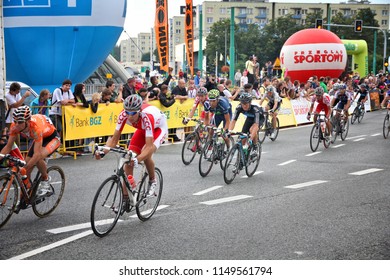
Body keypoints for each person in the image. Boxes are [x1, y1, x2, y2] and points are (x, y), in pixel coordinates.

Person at [95, 95, 168, 199]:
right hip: (142, 129)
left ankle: (152, 180)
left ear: (139, 111)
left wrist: (138, 159)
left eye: (133, 113)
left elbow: (149, 147)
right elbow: (114, 140)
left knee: (145, 154)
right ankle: (126, 198)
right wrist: (102, 153)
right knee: (129, 160)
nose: (129, 116)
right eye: (127, 112)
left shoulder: (147, 117)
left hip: (158, 128)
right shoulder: (122, 115)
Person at [0, 106, 61, 196]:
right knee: (26, 170)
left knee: (37, 158)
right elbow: (8, 146)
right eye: (15, 121)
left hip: (51, 138)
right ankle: (27, 195)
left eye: (20, 122)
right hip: (39, 139)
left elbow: (36, 155)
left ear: (28, 121)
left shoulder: (35, 128)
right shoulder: (15, 126)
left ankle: (45, 180)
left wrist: (24, 168)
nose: (16, 124)